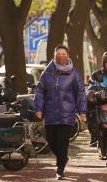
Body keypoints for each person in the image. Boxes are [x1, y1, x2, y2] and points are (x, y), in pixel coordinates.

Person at [34, 45, 87, 180]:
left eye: (64, 54)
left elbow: (80, 93)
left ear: (68, 56)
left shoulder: (74, 74)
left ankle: (60, 168)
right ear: (54, 55)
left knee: (62, 142)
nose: (61, 56)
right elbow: (39, 91)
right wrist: (38, 109)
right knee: (51, 141)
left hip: (67, 115)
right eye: (58, 54)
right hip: (50, 114)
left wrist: (82, 111)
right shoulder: (47, 73)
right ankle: (63, 158)